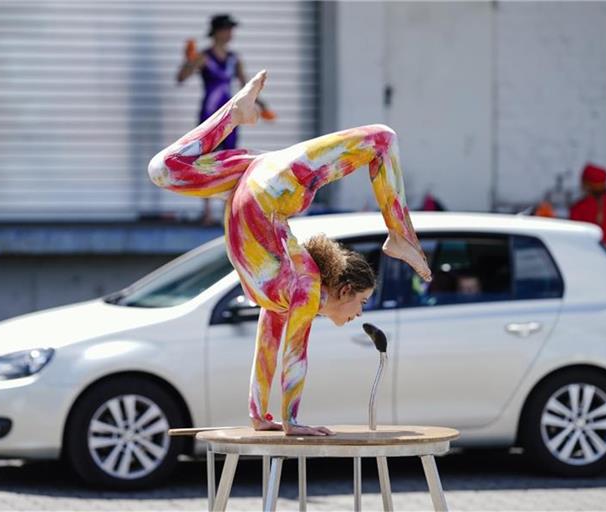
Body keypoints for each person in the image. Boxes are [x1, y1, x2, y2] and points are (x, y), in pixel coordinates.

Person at [148, 70, 432, 436]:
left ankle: (233, 115)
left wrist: (259, 413)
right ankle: (400, 235)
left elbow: (268, 345)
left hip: (250, 182)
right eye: (361, 302)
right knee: (382, 138)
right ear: (343, 290)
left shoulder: (285, 291)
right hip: (274, 186)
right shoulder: (306, 286)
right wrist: (293, 422)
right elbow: (295, 352)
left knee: (164, 171)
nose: (360, 312)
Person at [176, 14, 276, 224]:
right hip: (209, 113)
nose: (230, 33)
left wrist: (262, 104)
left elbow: (244, 86)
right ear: (217, 31)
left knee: (228, 160)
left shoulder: (233, 58)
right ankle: (207, 212)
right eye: (227, 29)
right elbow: (181, 77)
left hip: (229, 115)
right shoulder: (204, 56)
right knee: (204, 160)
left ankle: (225, 211)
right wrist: (189, 60)